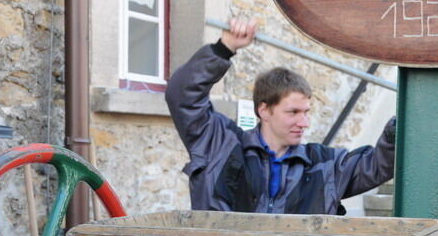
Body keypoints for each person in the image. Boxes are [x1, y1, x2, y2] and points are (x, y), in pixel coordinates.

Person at [165, 18, 396, 215]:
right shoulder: (218, 145)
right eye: (292, 112)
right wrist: (224, 48)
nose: (303, 122)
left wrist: (396, 130)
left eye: (306, 112)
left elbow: (377, 165)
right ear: (264, 110)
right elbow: (182, 96)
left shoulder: (325, 165)